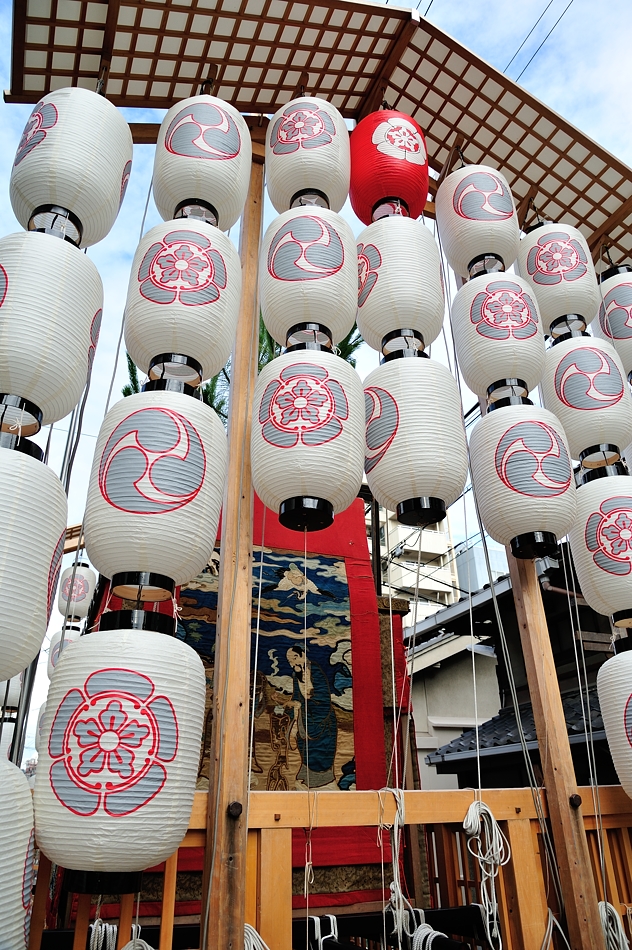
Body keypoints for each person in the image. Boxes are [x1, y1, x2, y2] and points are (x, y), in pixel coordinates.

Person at [285, 644, 337, 788]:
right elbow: (296, 697)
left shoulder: (315, 671)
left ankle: (323, 781)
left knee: (321, 751)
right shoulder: (296, 676)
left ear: (303, 655)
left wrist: (301, 706)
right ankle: (305, 775)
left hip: (322, 722)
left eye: (295, 658)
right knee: (306, 750)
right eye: (289, 661)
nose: (293, 663)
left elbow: (323, 699)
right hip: (305, 719)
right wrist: (290, 707)